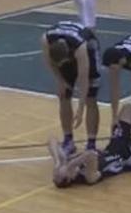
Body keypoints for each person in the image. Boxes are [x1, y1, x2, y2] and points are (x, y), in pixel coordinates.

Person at [41, 21, 101, 156]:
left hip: (88, 48)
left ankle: (91, 144)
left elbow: (83, 78)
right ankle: (68, 140)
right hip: (65, 47)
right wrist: (60, 81)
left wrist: (80, 109)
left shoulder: (81, 47)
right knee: (63, 95)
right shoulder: (46, 40)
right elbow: (51, 64)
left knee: (90, 99)